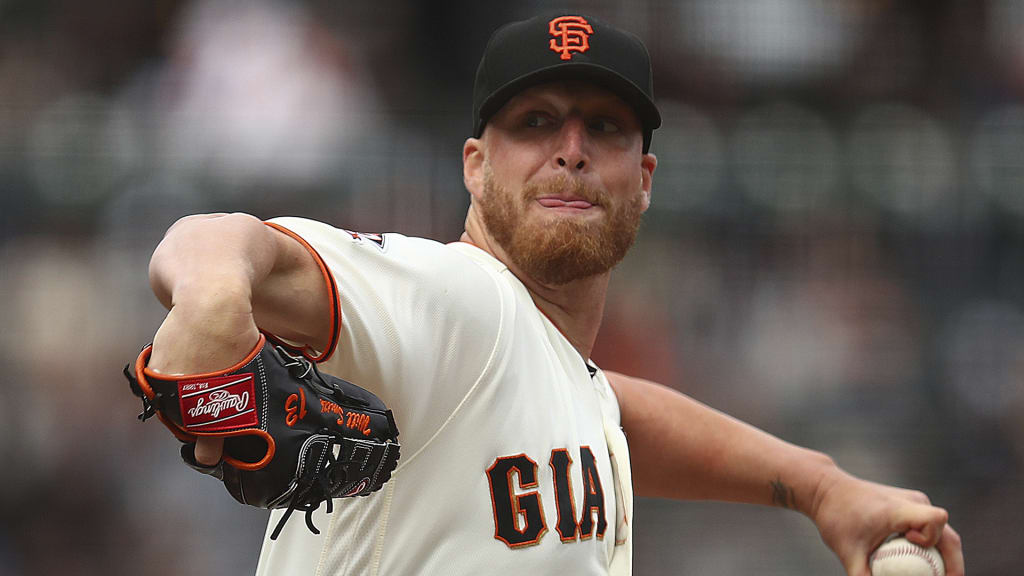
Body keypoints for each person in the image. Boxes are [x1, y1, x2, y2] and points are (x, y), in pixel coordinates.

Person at [144, 12, 964, 576]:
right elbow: (213, 241)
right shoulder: (458, 298)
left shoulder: (546, 375)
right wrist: (214, 304)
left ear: (643, 180)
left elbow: (608, 412)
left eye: (603, 127)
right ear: (474, 164)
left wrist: (823, 487)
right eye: (535, 121)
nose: (569, 150)